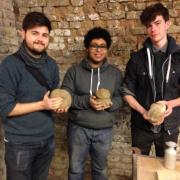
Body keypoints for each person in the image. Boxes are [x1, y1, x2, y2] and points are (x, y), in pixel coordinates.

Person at [0, 12, 64, 180]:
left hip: (47, 139)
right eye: (34, 33)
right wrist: (42, 105)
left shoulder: (51, 65)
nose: (40, 39)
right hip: (20, 144)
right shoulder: (10, 65)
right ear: (23, 33)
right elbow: (5, 109)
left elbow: (51, 97)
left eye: (44, 35)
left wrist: (57, 105)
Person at [61, 27, 123, 180]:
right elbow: (65, 98)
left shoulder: (115, 73)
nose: (98, 50)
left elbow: (121, 98)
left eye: (102, 46)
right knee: (75, 170)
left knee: (100, 170)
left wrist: (109, 103)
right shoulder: (74, 71)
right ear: (87, 48)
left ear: (107, 49)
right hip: (78, 129)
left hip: (104, 131)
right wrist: (86, 102)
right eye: (94, 45)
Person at [122, 3, 180, 157]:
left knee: (166, 171)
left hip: (170, 128)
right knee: (138, 169)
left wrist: (171, 104)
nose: (153, 29)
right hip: (141, 127)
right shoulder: (136, 58)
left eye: (157, 23)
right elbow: (126, 91)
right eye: (149, 25)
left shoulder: (179, 58)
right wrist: (143, 111)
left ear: (168, 24)